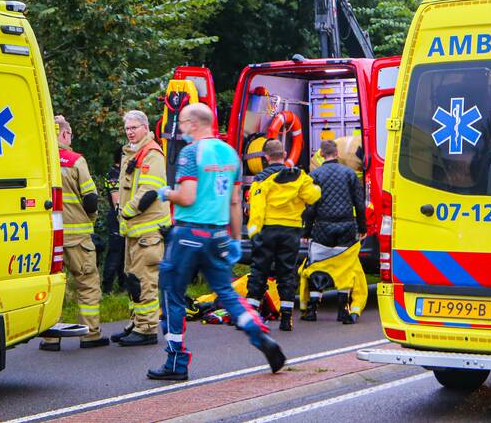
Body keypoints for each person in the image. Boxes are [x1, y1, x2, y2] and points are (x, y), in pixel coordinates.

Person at [138, 103, 284, 380]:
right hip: (218, 234)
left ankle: (175, 361)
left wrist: (165, 193)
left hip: (188, 234)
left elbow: (187, 197)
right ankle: (257, 332)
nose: (181, 128)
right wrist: (235, 240)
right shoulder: (230, 153)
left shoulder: (191, 152)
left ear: (195, 124)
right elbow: (235, 201)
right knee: (226, 292)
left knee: (172, 294)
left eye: (183, 123)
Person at [40, 116, 109, 351]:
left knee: (52, 286)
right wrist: (91, 219)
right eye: (69, 134)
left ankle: (50, 338)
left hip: (49, 237)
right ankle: (90, 334)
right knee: (87, 284)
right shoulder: (75, 160)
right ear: (65, 134)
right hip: (78, 238)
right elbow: (90, 198)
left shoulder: (41, 160)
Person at [246, 138, 321, 331]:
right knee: (286, 273)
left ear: (266, 157)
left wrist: (254, 231)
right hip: (291, 231)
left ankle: (252, 317)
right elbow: (313, 196)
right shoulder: (299, 176)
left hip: (268, 230)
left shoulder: (261, 178)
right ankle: (286, 319)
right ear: (285, 155)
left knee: (259, 271)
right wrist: (316, 187)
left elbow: (257, 208)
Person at [113, 110, 170, 347]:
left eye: (134, 127)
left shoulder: (152, 154)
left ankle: (146, 329)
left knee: (145, 280)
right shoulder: (132, 152)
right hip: (134, 230)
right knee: (133, 279)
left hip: (147, 231)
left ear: (145, 128)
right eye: (127, 128)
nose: (130, 132)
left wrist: (125, 212)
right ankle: (136, 323)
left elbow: (148, 192)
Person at [302, 139, 367, 323]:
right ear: (337, 153)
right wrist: (362, 227)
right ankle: (343, 310)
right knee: (344, 267)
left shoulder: (315, 175)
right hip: (346, 226)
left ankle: (312, 310)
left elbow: (310, 208)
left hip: (322, 227)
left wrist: (306, 232)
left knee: (317, 265)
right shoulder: (349, 174)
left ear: (322, 154)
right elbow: (359, 204)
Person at [101, 154, 127, 294]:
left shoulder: (121, 173)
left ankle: (123, 285)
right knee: (115, 254)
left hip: (123, 218)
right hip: (117, 217)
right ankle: (107, 288)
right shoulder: (114, 174)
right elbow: (116, 200)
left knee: (123, 254)